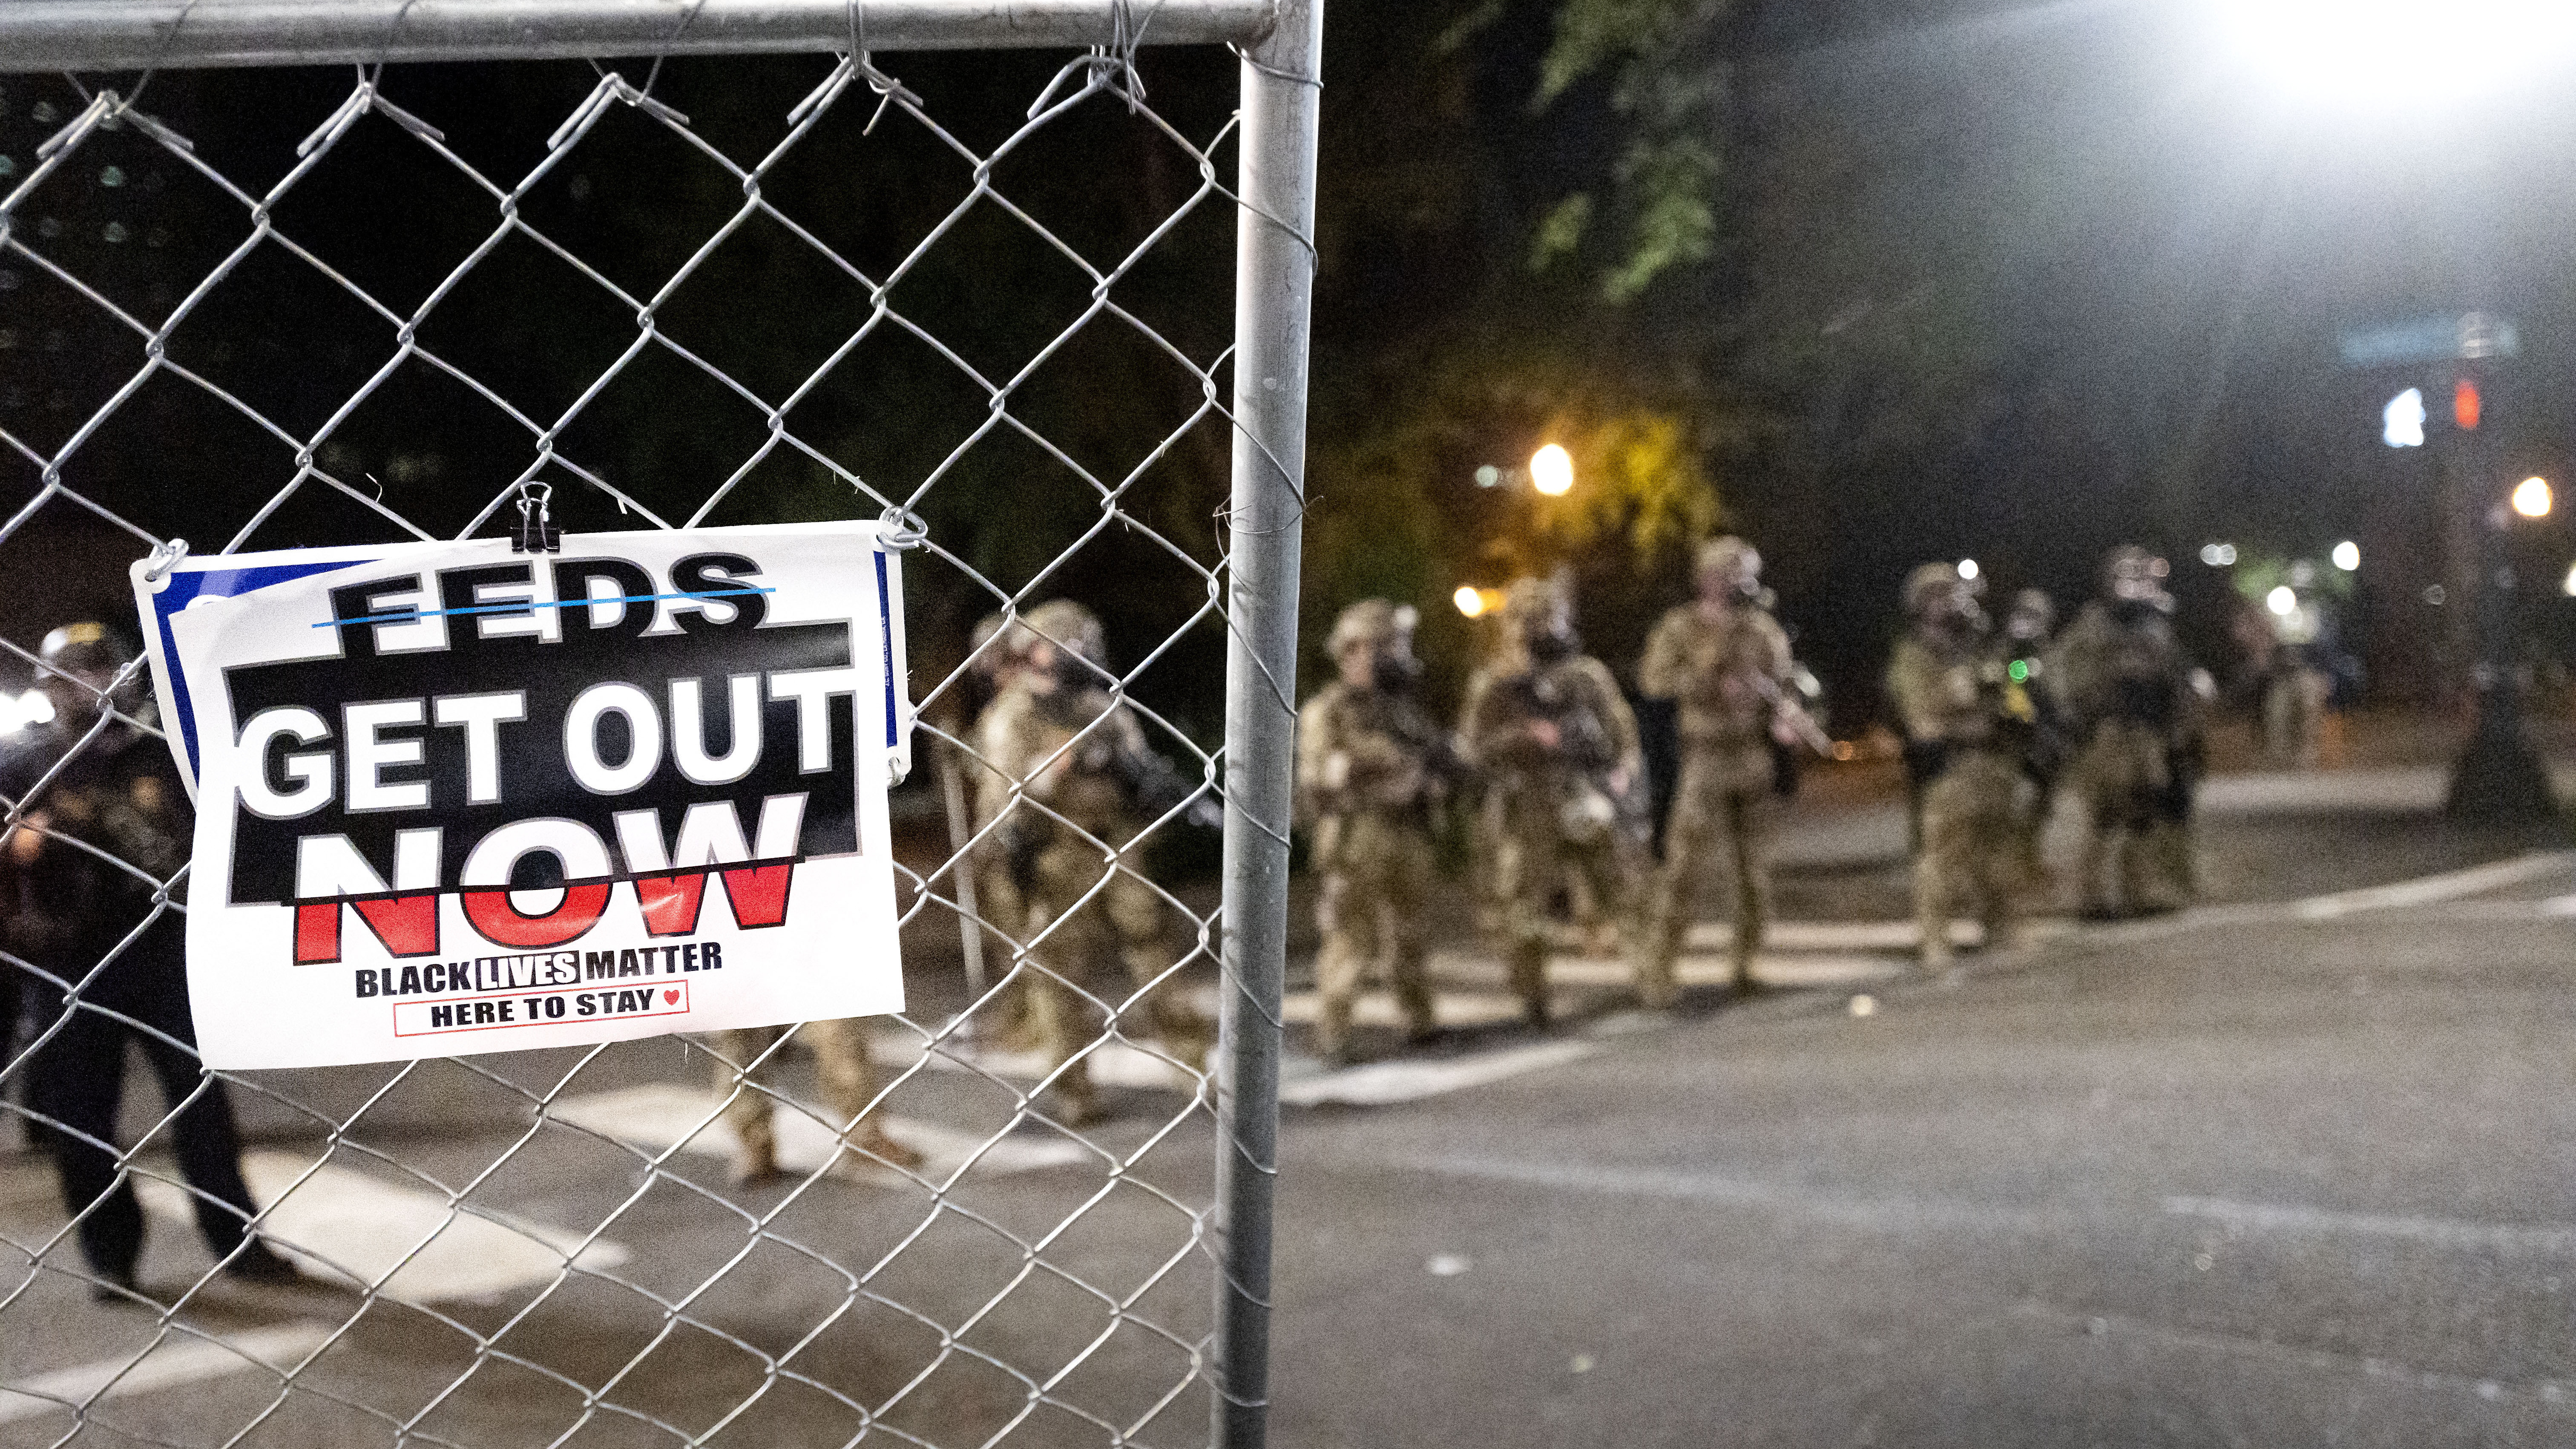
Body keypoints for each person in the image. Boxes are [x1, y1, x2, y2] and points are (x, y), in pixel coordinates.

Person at [0, 622, 296, 1296]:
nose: (89, 683)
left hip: (163, 949)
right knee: (80, 1120)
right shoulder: (24, 760)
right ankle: (113, 1259)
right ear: (47, 683)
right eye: (72, 671)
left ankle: (238, 1243)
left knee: (201, 1103)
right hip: (69, 962)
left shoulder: (160, 750)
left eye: (100, 668)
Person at [975, 599, 1213, 1125]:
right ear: (1036, 650)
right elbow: (1006, 803)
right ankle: (1075, 1089)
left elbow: (1137, 767)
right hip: (1056, 856)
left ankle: (1194, 1069)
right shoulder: (1013, 716)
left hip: (1115, 845)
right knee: (1059, 976)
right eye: (1066, 646)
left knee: (1155, 954)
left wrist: (1141, 782)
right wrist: (1065, 761)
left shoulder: (1102, 707)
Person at [1457, 576, 1642, 1027]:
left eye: (1552, 618)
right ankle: (1533, 998)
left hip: (1583, 796)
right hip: (1528, 807)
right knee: (1522, 908)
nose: (1546, 629)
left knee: (1625, 891)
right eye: (1535, 620)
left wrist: (1618, 782)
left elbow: (1622, 738)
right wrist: (1525, 737)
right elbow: (1473, 749)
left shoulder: (1586, 676)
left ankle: (1652, 979)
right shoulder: (1497, 684)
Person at [1632, 537, 1808, 1005]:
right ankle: (1659, 970)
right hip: (1705, 757)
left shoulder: (1762, 630)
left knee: (1753, 872)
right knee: (1683, 868)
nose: (1742, 583)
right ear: (1709, 579)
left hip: (1751, 755)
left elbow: (1785, 683)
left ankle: (1746, 962)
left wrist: (1785, 716)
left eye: (1747, 573)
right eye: (1733, 574)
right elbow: (1654, 681)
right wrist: (1708, 680)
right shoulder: (1681, 627)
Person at [1296, 599, 1455, 1064]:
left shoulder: (1404, 711)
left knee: (1410, 933)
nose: (1398, 655)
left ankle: (1419, 1020)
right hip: (1356, 837)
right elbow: (1320, 777)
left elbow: (1431, 767)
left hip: (1406, 834)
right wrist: (1386, 770)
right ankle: (1334, 1032)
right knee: (1349, 938)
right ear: (1355, 650)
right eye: (1387, 646)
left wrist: (1429, 780)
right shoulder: (1330, 710)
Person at [1886, 565, 2029, 968]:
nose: (1948, 603)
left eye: (1952, 594)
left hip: (1991, 760)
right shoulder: (1915, 655)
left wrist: (2013, 698)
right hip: (1949, 764)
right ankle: (1935, 938)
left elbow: (2012, 691)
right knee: (1944, 858)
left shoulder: (1980, 645)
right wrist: (1961, 689)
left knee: (1998, 853)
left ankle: (2002, 927)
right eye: (1937, 597)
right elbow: (1920, 718)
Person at [2053, 546, 2198, 918]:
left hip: (2148, 735)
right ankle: (2092, 895)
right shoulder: (2091, 627)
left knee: (2145, 814)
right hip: (2108, 735)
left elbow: (2177, 682)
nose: (2133, 585)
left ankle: (2141, 890)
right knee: (2106, 816)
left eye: (2139, 576)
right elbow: (2066, 680)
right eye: (2125, 577)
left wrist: (2179, 730)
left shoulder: (2156, 628)